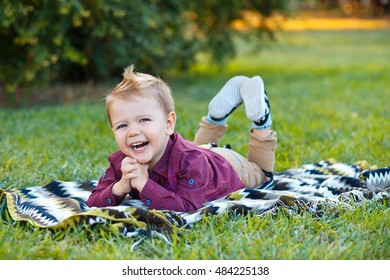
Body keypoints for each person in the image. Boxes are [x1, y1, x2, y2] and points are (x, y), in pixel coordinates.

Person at [86, 65, 277, 212]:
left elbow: (187, 206)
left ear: (169, 124)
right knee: (194, 151)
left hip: (229, 166)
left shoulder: (191, 160)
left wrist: (145, 185)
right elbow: (93, 202)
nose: (132, 132)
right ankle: (214, 119)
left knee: (263, 175)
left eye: (143, 120)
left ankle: (261, 122)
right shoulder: (120, 162)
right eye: (122, 125)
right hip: (200, 154)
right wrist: (120, 187)